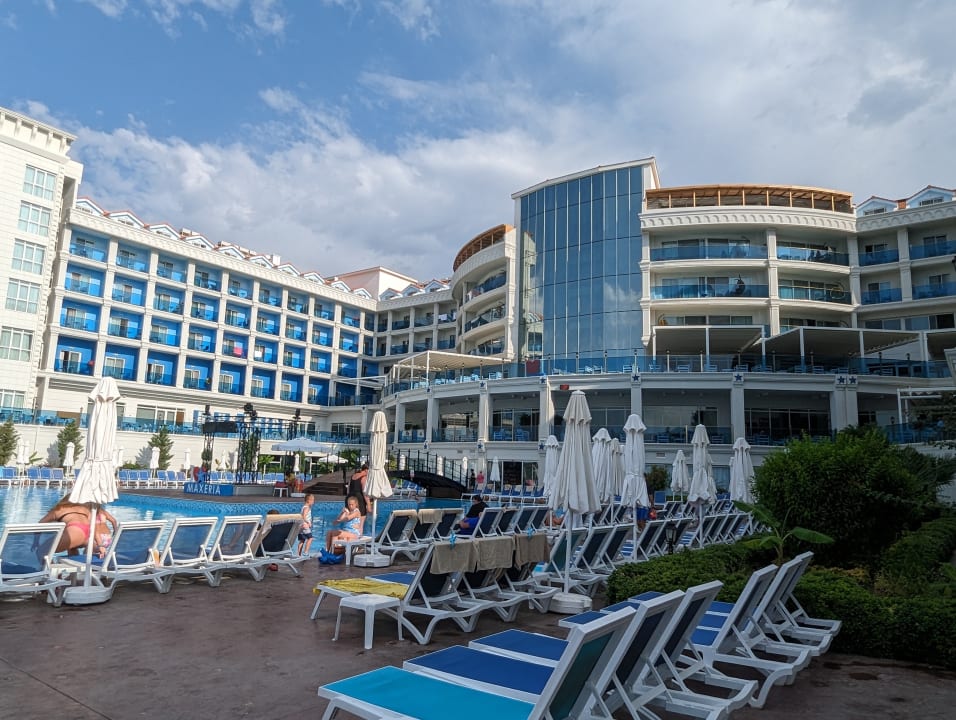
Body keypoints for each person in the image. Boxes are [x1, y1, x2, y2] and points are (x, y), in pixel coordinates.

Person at [39, 495, 117, 555]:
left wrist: (36, 542)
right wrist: (100, 546)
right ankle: (73, 569)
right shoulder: (84, 509)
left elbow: (40, 525)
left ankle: (50, 569)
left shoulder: (58, 509)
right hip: (88, 535)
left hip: (76, 531)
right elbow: (94, 528)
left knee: (42, 549)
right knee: (72, 547)